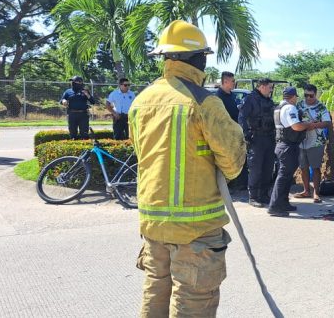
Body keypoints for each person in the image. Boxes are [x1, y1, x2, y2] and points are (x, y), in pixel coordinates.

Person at [128, 20, 246, 317]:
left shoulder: (141, 102)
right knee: (193, 303)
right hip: (196, 231)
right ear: (199, 58)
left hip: (153, 225)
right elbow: (233, 162)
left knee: (155, 293)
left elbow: (141, 153)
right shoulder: (205, 102)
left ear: (166, 58)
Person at [268, 87, 321, 217]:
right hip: (288, 146)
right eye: (296, 97)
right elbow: (296, 126)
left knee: (285, 177)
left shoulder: (279, 107)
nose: (297, 99)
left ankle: (283, 203)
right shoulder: (290, 108)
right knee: (284, 177)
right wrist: (308, 125)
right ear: (293, 97)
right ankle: (275, 206)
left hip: (282, 145)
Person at [238, 78, 276, 207]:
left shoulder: (268, 100)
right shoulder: (250, 99)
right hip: (256, 138)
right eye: (269, 87)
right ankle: (253, 197)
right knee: (256, 168)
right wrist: (246, 135)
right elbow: (242, 117)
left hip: (269, 138)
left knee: (268, 167)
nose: (271, 90)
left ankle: (264, 195)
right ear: (262, 86)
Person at [293, 84, 331, 203]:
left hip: (316, 141)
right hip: (301, 141)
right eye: (306, 95)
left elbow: (327, 122)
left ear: (316, 94)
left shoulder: (321, 107)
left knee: (315, 168)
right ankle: (306, 190)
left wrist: (313, 126)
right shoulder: (299, 105)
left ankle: (316, 192)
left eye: (311, 95)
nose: (308, 98)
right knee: (303, 167)